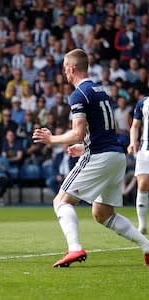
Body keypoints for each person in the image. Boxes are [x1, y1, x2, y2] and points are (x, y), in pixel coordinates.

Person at [33, 49, 149, 267]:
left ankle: (75, 249)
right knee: (102, 213)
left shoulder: (79, 94)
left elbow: (77, 131)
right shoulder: (100, 91)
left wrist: (52, 139)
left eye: (65, 68)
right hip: (116, 155)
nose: (64, 73)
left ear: (72, 68)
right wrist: (84, 145)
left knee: (61, 201)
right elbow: (106, 128)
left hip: (101, 156)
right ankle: (147, 246)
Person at [127, 96, 149, 234]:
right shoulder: (143, 102)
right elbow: (135, 126)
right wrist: (132, 142)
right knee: (142, 184)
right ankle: (142, 225)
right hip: (145, 148)